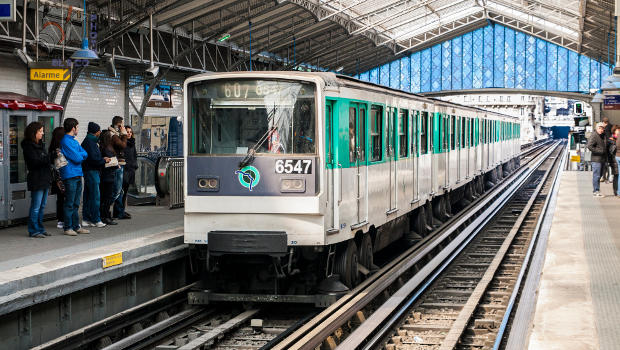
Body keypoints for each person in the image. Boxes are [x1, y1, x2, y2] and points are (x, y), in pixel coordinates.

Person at [21, 122, 52, 238]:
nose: (42, 133)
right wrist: (48, 158)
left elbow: (43, 159)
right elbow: (34, 162)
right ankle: (33, 230)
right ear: (34, 133)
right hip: (37, 179)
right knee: (36, 206)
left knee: (42, 206)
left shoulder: (40, 144)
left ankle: (40, 228)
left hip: (44, 178)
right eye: (40, 131)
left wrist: (49, 157)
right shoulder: (28, 146)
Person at [59, 118, 90, 235]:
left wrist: (79, 155)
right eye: (77, 127)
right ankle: (68, 227)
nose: (78, 129)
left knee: (76, 203)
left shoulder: (74, 141)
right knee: (70, 203)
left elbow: (84, 153)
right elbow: (78, 157)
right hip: (70, 175)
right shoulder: (66, 141)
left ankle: (76, 226)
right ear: (73, 128)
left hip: (77, 173)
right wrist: (80, 155)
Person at [81, 122, 108, 228]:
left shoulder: (87, 141)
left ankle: (86, 219)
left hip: (88, 171)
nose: (100, 132)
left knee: (88, 196)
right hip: (92, 172)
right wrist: (104, 160)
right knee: (95, 196)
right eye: (99, 130)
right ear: (96, 132)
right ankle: (96, 219)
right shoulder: (90, 143)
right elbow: (94, 159)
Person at [114, 126, 137, 219]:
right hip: (124, 169)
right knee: (120, 192)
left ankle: (122, 210)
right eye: (127, 132)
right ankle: (118, 212)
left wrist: (135, 166)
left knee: (125, 192)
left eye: (130, 132)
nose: (129, 133)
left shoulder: (132, 143)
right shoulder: (122, 143)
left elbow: (134, 156)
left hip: (130, 170)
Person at [108, 116, 128, 219]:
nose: (123, 127)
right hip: (116, 165)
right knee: (117, 190)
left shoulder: (116, 134)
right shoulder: (113, 135)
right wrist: (124, 134)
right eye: (122, 125)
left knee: (120, 190)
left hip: (119, 163)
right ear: (119, 125)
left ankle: (119, 212)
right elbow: (123, 146)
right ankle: (105, 209)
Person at [99, 130, 120, 225]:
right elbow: (110, 161)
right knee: (107, 196)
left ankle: (105, 215)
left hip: (107, 175)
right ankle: (105, 216)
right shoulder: (106, 149)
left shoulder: (104, 147)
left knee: (106, 196)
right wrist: (116, 164)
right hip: (107, 175)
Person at [49, 127, 66, 229]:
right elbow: (62, 163)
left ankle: (60, 219)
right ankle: (63, 219)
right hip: (62, 176)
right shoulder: (60, 148)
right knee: (66, 198)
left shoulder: (52, 147)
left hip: (56, 177)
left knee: (60, 199)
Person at [587, 122, 607, 197]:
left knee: (600, 175)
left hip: (602, 159)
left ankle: (597, 189)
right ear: (596, 128)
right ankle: (596, 191)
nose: (601, 130)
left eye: (602, 129)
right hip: (596, 159)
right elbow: (589, 146)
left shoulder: (603, 135)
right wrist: (599, 151)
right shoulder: (594, 135)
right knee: (597, 175)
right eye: (599, 128)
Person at [608, 126, 619, 196]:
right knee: (616, 175)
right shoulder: (611, 140)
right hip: (614, 159)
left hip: (616, 158)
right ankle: (615, 191)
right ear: (614, 131)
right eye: (618, 130)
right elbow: (610, 151)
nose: (619, 132)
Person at [601, 117, 612, 182]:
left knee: (605, 163)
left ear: (604, 122)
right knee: (609, 163)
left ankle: (605, 177)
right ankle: (608, 176)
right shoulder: (611, 127)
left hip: (607, 149)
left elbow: (607, 139)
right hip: (610, 148)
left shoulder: (607, 129)